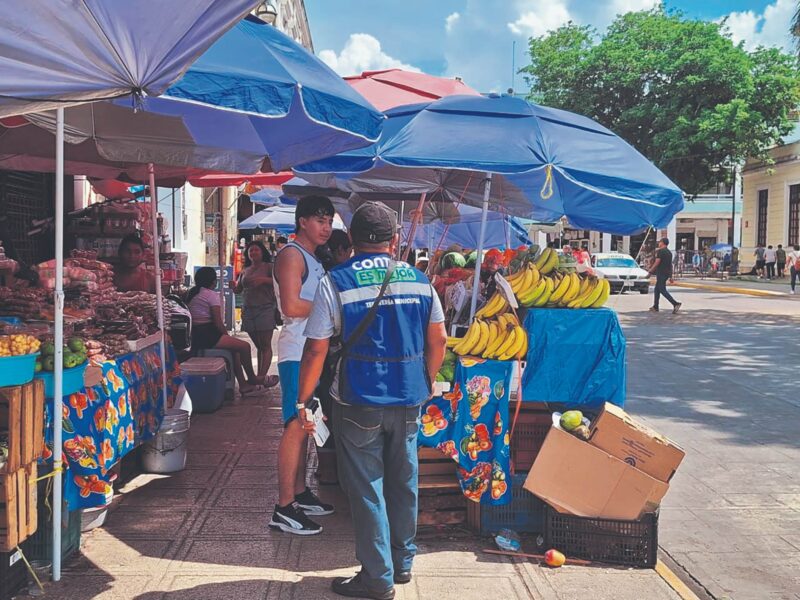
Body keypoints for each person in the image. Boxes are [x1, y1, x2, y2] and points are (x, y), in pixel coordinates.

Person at [298, 201, 447, 599]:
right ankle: (402, 564)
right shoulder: (420, 281)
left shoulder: (336, 280)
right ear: (395, 240)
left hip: (358, 399)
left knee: (367, 488)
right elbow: (440, 341)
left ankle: (377, 579)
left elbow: (315, 350)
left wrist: (303, 398)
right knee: (404, 480)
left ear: (354, 239)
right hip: (409, 398)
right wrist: (426, 380)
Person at [269, 195, 336, 535]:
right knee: (296, 425)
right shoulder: (291, 255)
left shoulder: (311, 256)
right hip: (296, 351)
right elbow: (293, 305)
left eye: (329, 221)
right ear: (302, 222)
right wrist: (335, 308)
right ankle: (283, 507)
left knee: (305, 423)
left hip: (310, 350)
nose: (326, 227)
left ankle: (298, 492)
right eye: (320, 220)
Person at [186, 267, 265, 394]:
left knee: (235, 351)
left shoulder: (192, 293)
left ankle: (243, 385)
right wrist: (227, 335)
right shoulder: (211, 295)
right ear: (213, 282)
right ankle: (252, 377)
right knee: (245, 346)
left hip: (195, 334)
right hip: (206, 334)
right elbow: (218, 322)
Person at [232, 241, 279, 387]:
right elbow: (238, 289)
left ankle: (261, 377)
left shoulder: (269, 267)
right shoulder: (246, 270)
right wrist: (233, 286)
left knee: (265, 345)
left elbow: (280, 282)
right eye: (250, 251)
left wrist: (263, 280)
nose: (253, 253)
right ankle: (260, 377)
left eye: (256, 250)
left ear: (262, 252)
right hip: (249, 310)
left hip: (265, 308)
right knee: (259, 345)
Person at [649, 238, 681, 314]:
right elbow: (670, 265)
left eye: (660, 242)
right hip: (666, 274)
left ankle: (675, 303)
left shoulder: (660, 251)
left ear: (662, 243)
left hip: (661, 273)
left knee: (662, 290)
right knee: (657, 289)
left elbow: (657, 263)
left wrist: (650, 272)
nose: (659, 243)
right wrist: (670, 276)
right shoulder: (669, 253)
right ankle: (655, 306)